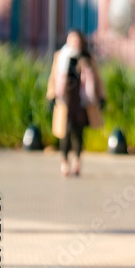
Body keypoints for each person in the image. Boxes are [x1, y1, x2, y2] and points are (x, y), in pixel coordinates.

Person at [46, 29, 105, 177]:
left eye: (76, 40)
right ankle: (64, 162)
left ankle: (77, 161)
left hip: (81, 101)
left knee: (78, 132)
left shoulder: (86, 58)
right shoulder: (61, 57)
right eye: (71, 40)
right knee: (64, 132)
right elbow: (53, 77)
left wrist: (102, 97)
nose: (74, 43)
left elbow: (97, 79)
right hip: (65, 100)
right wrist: (51, 96)